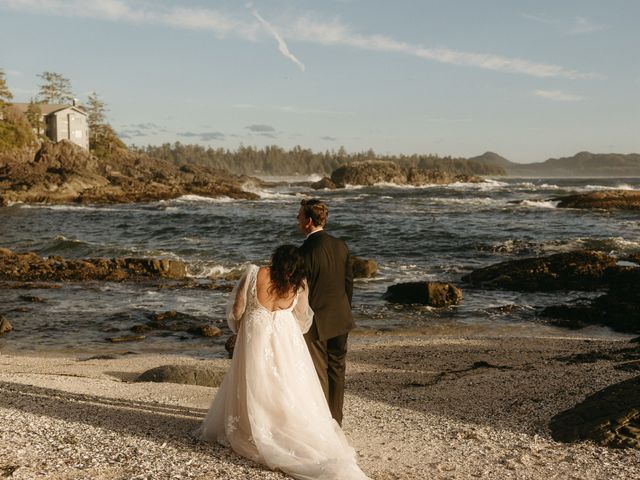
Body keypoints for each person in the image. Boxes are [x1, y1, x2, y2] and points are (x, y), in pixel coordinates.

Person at [195, 245, 369, 480]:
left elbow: (237, 309)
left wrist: (240, 327)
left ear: (276, 259)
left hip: (256, 335)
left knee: (257, 380)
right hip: (286, 337)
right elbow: (303, 319)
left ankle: (255, 425)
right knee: (287, 383)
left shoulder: (255, 273)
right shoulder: (299, 284)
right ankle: (285, 425)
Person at [298, 199, 355, 426]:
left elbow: (300, 291)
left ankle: (323, 423)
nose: (297, 220)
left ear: (309, 222)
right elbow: (348, 282)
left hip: (317, 319)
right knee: (337, 369)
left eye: (299, 217)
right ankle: (336, 420)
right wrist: (345, 309)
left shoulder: (303, 252)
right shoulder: (341, 245)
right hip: (341, 316)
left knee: (319, 371)